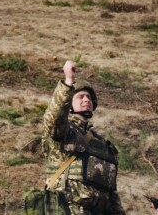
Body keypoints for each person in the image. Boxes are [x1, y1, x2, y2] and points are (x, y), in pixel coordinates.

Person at [41, 59, 126, 214]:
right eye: (80, 97)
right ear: (69, 104)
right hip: (67, 208)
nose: (86, 100)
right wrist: (68, 82)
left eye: (89, 98)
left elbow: (111, 194)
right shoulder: (65, 132)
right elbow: (54, 118)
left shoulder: (103, 145)